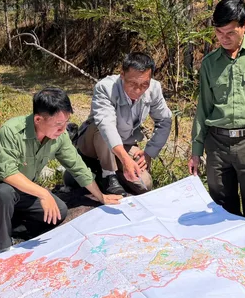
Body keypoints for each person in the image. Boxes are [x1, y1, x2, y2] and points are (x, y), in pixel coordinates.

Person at [0, 87, 123, 250]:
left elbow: (78, 167)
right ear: (38, 119)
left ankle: (1, 225)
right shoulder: (11, 131)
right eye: (58, 124)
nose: (63, 129)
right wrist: (43, 193)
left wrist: (101, 196)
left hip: (24, 190)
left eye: (65, 122)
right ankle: (4, 247)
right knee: (4, 193)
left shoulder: (59, 136)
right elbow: (7, 174)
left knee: (58, 212)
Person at [189, 0, 245, 219]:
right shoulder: (210, 63)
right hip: (217, 145)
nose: (224, 38)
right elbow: (204, 108)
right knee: (221, 209)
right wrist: (196, 150)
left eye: (230, 32)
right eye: (219, 32)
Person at [71, 52, 172, 196]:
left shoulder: (154, 89)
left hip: (124, 143)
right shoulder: (105, 88)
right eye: (133, 84)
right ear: (122, 75)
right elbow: (106, 126)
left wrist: (149, 152)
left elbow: (164, 120)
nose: (138, 90)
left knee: (144, 185)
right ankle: (107, 174)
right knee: (101, 128)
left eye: (144, 84)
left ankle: (98, 171)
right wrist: (125, 160)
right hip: (93, 142)